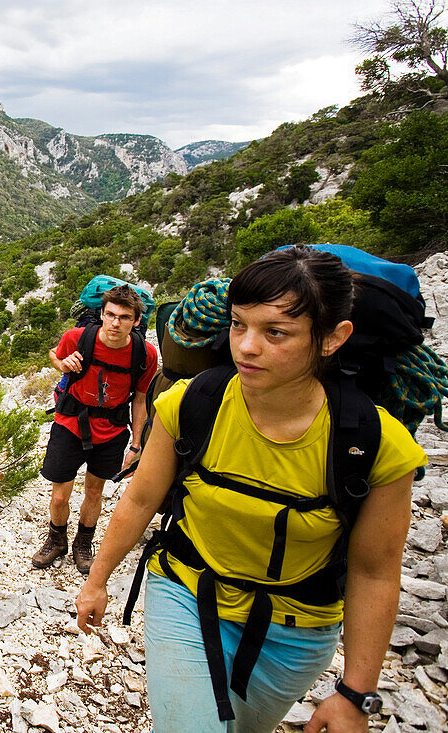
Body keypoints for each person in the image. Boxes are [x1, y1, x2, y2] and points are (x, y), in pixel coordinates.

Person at [73, 246, 427, 733]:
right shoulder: (191, 403)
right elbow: (139, 499)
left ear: (332, 338)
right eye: (239, 325)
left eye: (275, 332)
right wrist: (97, 580)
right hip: (185, 593)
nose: (246, 347)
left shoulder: (375, 444)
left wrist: (354, 692)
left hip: (297, 631)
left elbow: (375, 571)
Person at [32, 284, 158, 573]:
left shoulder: (144, 354)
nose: (116, 323)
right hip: (71, 422)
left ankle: (83, 543)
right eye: (110, 314)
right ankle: (57, 539)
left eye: (125, 317)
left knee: (94, 492)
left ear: (136, 321)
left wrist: (137, 444)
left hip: (112, 429)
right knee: (60, 495)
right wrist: (62, 364)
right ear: (101, 314)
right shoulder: (78, 337)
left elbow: (140, 399)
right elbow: (55, 355)